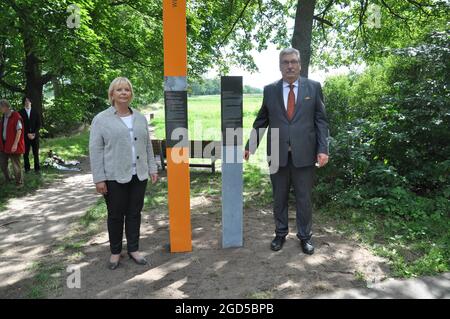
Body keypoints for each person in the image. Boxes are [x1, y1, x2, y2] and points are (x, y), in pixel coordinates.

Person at [244, 48, 329, 255]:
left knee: (304, 199)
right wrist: (250, 146)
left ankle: (305, 237)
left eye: (293, 62)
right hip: (277, 154)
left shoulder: (313, 87)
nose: (289, 66)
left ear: (300, 64)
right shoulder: (270, 90)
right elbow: (262, 120)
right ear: (279, 66)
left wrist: (323, 149)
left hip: (306, 154)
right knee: (279, 197)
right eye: (285, 62)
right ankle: (280, 234)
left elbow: (321, 120)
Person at [89, 77, 158, 270]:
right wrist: (99, 178)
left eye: (127, 89)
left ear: (131, 93)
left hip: (139, 175)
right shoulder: (101, 119)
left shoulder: (140, 117)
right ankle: (115, 252)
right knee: (116, 215)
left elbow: (147, 146)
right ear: (112, 94)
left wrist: (152, 168)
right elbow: (96, 150)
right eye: (119, 89)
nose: (123, 92)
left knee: (135, 213)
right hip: (113, 176)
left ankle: (134, 249)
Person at [0, 99, 25, 187]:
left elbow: (19, 131)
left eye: (0, 107)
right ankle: (8, 178)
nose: (0, 109)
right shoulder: (3, 116)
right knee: (2, 164)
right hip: (4, 145)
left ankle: (19, 182)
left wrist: (15, 144)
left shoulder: (16, 116)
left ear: (5, 107)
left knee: (16, 165)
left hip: (13, 145)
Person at [19, 97, 41, 173]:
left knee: (36, 153)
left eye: (28, 101)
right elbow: (20, 126)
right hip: (25, 136)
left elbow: (39, 124)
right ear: (23, 103)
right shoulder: (20, 112)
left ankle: (37, 169)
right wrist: (27, 134)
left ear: (31, 102)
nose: (27, 102)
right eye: (25, 101)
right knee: (25, 153)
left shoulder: (35, 111)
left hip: (35, 136)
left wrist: (34, 133)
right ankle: (27, 169)